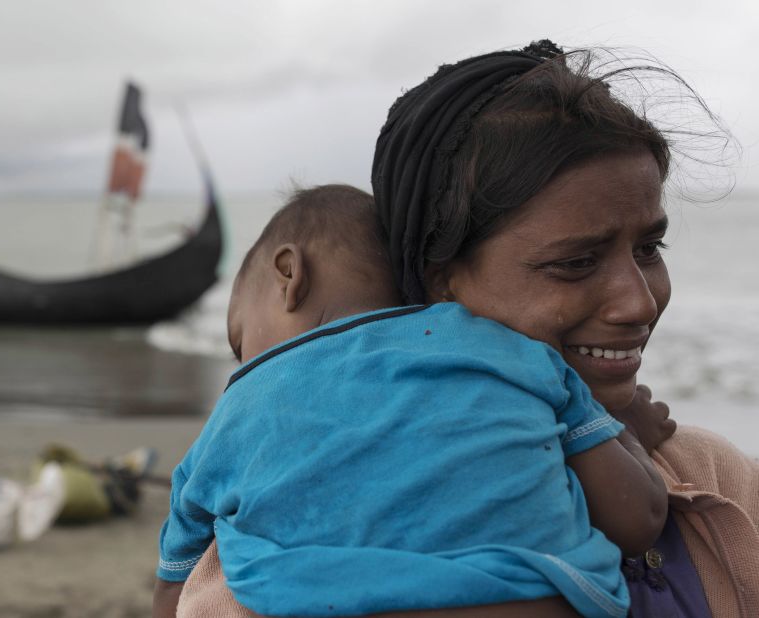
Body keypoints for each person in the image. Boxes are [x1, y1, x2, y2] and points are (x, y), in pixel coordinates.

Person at [172, 41, 759, 617]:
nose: (639, 301)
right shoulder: (258, 581)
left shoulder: (710, 473)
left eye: (650, 247)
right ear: (439, 280)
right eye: (574, 262)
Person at [154, 184, 669, 618]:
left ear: (289, 275)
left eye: (238, 341)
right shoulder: (513, 352)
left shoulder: (240, 405)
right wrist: (626, 434)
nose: (245, 364)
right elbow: (636, 521)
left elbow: (175, 586)